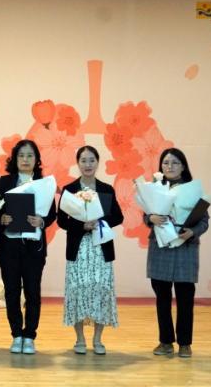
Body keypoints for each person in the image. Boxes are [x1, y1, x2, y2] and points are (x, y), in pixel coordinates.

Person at [57, 146, 124, 355]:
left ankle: (98, 339)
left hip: (100, 247)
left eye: (92, 160)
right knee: (77, 289)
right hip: (78, 248)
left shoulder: (106, 189)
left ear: (98, 162)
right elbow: (61, 221)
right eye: (83, 160)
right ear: (77, 163)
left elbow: (118, 216)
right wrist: (82, 225)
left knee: (101, 289)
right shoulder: (69, 189)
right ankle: (79, 339)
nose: (88, 164)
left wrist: (99, 221)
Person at [0, 139, 56, 355]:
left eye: (30, 155)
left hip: (33, 247)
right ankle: (16, 335)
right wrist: (1, 218)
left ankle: (29, 335)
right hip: (8, 246)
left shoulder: (44, 183)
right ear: (15, 159)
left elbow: (52, 214)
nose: (25, 159)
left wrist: (42, 221)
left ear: (36, 159)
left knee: (32, 292)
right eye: (21, 155)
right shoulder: (5, 181)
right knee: (11, 291)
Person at [145, 148, 209, 358]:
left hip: (185, 247)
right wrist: (150, 219)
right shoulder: (155, 188)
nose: (170, 166)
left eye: (175, 163)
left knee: (185, 298)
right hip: (160, 248)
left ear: (183, 166)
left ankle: (184, 343)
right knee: (162, 298)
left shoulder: (192, 189)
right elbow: (146, 215)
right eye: (165, 163)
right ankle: (165, 342)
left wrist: (192, 232)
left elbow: (204, 220)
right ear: (161, 166)